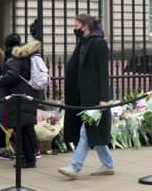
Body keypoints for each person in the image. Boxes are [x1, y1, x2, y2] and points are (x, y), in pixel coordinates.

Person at [58, 14, 114, 180]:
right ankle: (108, 164)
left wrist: (103, 98)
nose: (74, 29)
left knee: (86, 131)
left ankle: (74, 168)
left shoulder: (99, 43)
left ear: (84, 26)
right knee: (94, 132)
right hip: (82, 95)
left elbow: (104, 74)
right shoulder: (82, 42)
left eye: (76, 25)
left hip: (96, 97)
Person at [0, 33, 43, 168]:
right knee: (27, 129)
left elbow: (12, 75)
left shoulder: (15, 58)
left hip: (19, 97)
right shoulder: (28, 57)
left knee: (21, 130)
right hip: (29, 95)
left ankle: (25, 159)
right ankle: (30, 158)